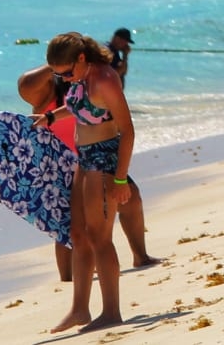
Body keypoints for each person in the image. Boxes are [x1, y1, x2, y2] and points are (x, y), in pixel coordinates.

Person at [35, 32, 135, 333]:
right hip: (84, 160)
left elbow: (128, 131)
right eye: (57, 74)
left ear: (81, 58)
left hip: (103, 163)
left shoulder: (105, 78)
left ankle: (112, 312)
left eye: (65, 72)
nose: (63, 79)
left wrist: (120, 178)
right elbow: (81, 108)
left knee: (100, 239)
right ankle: (80, 309)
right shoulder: (80, 78)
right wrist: (51, 117)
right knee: (78, 235)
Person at [18, 64, 157, 279]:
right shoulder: (47, 94)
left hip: (95, 157)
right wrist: (56, 66)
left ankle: (141, 256)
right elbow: (25, 84)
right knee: (68, 222)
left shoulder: (88, 86)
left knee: (131, 200)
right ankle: (67, 278)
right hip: (57, 164)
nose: (67, 78)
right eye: (63, 73)